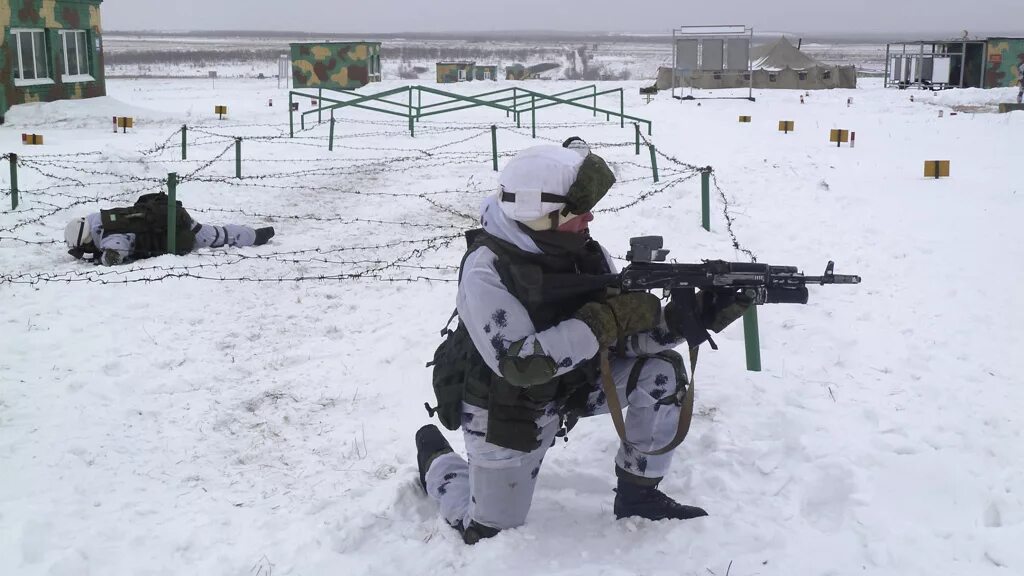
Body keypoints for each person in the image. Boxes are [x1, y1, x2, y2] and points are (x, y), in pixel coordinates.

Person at [416, 137, 752, 544]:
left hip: (572, 385)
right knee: (485, 532)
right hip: (504, 412)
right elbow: (522, 364)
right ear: (540, 214)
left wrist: (692, 319)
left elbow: (623, 341)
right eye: (576, 211)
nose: (590, 217)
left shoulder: (582, 251)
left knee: (662, 370)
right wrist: (603, 320)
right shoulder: (486, 269)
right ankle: (437, 462)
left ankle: (638, 497)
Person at [64, 192, 275, 265]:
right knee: (217, 233)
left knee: (219, 237)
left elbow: (115, 256)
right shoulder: (97, 219)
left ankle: (254, 236)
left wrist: (98, 259)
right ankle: (252, 234)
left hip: (177, 227)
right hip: (168, 220)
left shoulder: (109, 236)